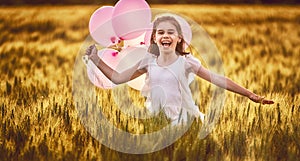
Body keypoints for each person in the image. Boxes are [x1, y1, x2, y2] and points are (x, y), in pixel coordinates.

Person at [85, 15, 274, 125]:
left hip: (184, 121)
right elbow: (118, 78)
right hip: (156, 121)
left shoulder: (186, 61)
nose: (165, 35)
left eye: (170, 32)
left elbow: (217, 79)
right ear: (154, 38)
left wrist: (250, 94)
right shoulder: (148, 60)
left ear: (179, 38)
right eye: (160, 32)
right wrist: (95, 59)